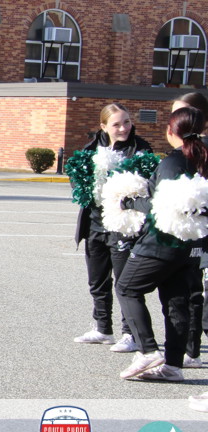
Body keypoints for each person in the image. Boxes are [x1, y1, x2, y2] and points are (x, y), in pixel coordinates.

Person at [115, 106, 207, 382]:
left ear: (170, 131)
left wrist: (129, 202)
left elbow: (161, 205)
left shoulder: (174, 162)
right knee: (176, 301)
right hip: (192, 244)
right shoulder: (202, 158)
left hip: (161, 242)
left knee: (127, 287)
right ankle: (173, 366)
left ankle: (147, 350)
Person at [72, 103, 151, 349]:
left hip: (124, 226)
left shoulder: (140, 149)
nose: (123, 128)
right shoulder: (91, 149)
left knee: (125, 283)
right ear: (103, 126)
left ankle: (130, 333)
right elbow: (78, 182)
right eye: (116, 124)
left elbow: (148, 185)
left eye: (127, 122)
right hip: (95, 225)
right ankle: (102, 328)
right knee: (97, 282)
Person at [171, 92, 208, 369]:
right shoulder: (179, 155)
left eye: (181, 113)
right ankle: (190, 350)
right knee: (190, 290)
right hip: (190, 233)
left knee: (199, 295)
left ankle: (191, 350)